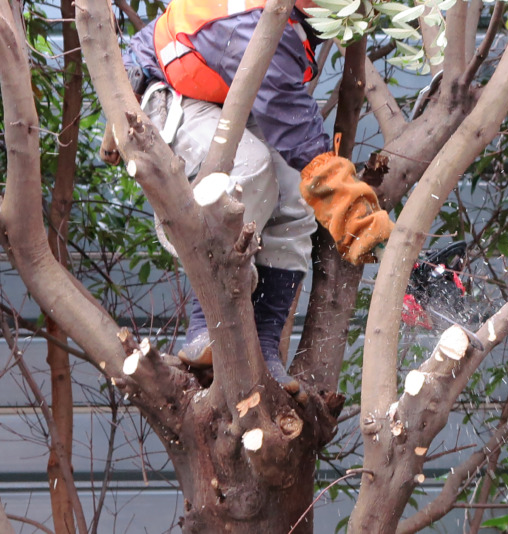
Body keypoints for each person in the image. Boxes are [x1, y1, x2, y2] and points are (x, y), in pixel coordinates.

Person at [113, 0, 393, 394]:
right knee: (248, 169)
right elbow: (291, 120)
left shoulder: (289, 18)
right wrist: (352, 212)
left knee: (295, 195)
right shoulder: (255, 22)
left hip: (221, 97)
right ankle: (204, 325)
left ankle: (264, 347)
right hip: (167, 91)